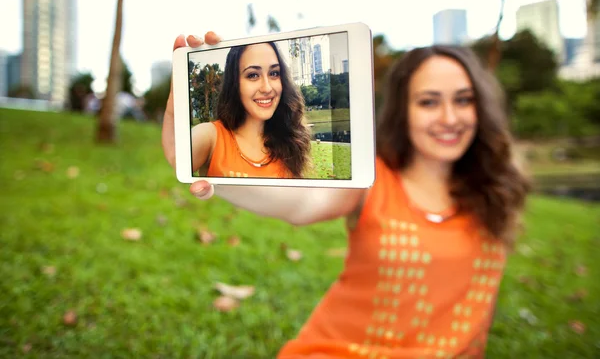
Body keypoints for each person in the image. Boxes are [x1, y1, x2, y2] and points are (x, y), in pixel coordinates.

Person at [162, 32, 530, 358]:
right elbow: (302, 203)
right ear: (403, 111)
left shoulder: (496, 187)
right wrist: (220, 179)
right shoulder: (372, 180)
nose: (449, 117)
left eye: (463, 100)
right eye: (429, 102)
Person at [189, 39, 312, 179]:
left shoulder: (290, 142)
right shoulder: (210, 136)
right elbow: (169, 166)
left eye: (274, 73)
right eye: (253, 75)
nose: (267, 88)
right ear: (235, 83)